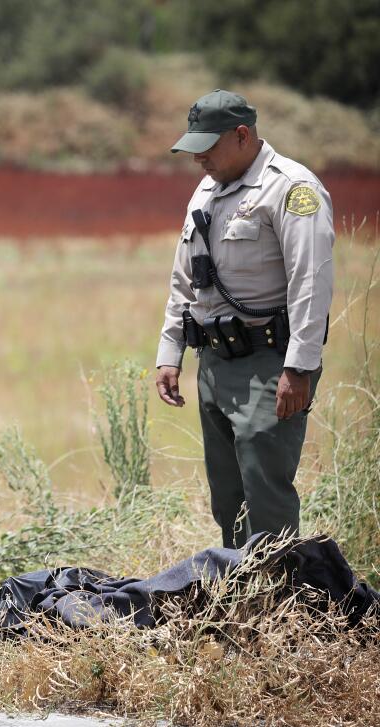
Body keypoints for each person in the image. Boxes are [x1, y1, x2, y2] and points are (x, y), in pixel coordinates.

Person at [155, 90, 334, 549]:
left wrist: (299, 368)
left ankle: (277, 603)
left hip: (268, 365)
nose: (199, 160)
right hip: (214, 365)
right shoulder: (207, 189)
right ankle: (241, 601)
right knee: (228, 499)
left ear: (242, 135)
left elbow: (310, 285)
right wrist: (170, 353)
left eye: (207, 148)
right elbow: (186, 279)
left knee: (266, 498)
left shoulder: (292, 189)